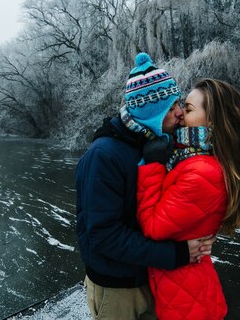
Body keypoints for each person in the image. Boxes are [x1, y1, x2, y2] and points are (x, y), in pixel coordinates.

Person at [75, 53, 216, 320]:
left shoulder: (156, 145)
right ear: (150, 111)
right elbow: (104, 237)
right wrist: (176, 254)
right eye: (171, 105)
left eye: (179, 103)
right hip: (117, 290)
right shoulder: (103, 156)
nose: (179, 113)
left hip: (153, 277)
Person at [136, 78, 240, 320]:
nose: (180, 114)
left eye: (188, 109)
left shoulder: (201, 172)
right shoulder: (188, 157)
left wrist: (152, 166)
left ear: (212, 121)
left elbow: (152, 227)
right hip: (183, 291)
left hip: (186, 304)